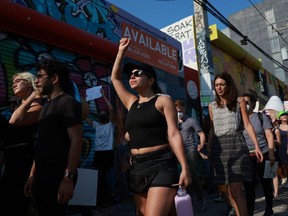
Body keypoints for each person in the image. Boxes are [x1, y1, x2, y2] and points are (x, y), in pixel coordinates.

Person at [111, 37, 191, 216]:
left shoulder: (163, 100)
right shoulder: (131, 102)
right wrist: (120, 52)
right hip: (137, 168)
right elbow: (115, 79)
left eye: (137, 73)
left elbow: (173, 134)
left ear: (151, 80)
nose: (132, 76)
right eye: (130, 74)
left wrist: (185, 167)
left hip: (161, 164)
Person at [24, 59, 83, 216]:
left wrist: (68, 178)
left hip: (57, 176)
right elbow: (42, 143)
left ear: (54, 79)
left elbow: (76, 141)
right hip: (42, 176)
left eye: (40, 76)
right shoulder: (46, 106)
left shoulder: (68, 103)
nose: (36, 81)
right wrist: (32, 175)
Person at [202, 72, 263, 216]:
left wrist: (256, 146)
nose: (219, 88)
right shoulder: (212, 106)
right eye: (216, 85)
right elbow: (212, 129)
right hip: (219, 149)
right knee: (225, 190)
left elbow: (247, 124)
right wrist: (209, 148)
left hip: (237, 146)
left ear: (228, 85)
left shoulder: (239, 101)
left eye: (222, 84)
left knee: (236, 191)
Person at [0, 72, 44, 216]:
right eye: (13, 81)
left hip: (23, 160)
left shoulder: (38, 106)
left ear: (30, 83)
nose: (14, 83)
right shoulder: (19, 106)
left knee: (17, 203)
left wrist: (32, 96)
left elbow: (14, 122)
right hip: (11, 158)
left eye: (18, 80)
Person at [242, 93, 275, 216]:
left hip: (264, 154)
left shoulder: (262, 117)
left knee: (266, 183)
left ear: (253, 103)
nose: (244, 104)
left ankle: (269, 208)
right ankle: (249, 211)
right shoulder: (239, 119)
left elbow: (269, 135)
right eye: (242, 102)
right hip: (247, 157)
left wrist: (271, 154)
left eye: (247, 102)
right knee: (249, 186)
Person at [85, 88, 115, 207]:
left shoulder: (110, 125)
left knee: (101, 175)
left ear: (107, 117)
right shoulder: (96, 125)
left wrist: (103, 96)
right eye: (100, 113)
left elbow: (111, 109)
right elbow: (85, 116)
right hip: (98, 154)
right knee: (98, 176)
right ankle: (101, 199)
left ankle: (105, 199)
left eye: (104, 114)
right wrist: (86, 102)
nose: (102, 114)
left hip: (107, 153)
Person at [175, 99, 206, 211]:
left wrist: (201, 144)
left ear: (184, 109)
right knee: (179, 174)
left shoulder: (191, 120)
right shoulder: (172, 122)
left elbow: (201, 133)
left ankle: (200, 197)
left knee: (191, 173)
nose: (179, 111)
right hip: (178, 151)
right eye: (177, 109)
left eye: (181, 109)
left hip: (190, 149)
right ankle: (186, 198)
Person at [276, 110, 288, 188]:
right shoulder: (277, 127)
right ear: (279, 118)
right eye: (283, 115)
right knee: (283, 165)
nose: (285, 116)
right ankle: (284, 178)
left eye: (286, 114)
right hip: (281, 148)